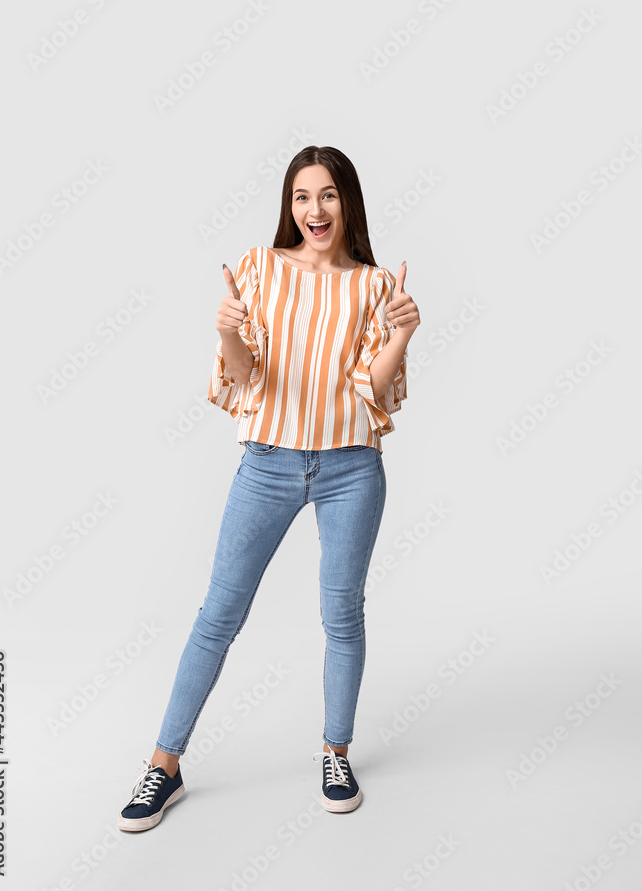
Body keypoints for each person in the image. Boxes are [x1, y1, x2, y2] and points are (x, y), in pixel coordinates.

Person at [118, 145, 421, 832]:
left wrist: (403, 334)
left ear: (348, 202)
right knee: (218, 616)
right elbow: (244, 376)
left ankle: (334, 752)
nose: (314, 210)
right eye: (301, 197)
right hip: (268, 464)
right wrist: (226, 333)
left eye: (328, 196)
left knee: (341, 614)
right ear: (289, 206)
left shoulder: (374, 285)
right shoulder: (258, 269)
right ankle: (164, 766)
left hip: (350, 467)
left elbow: (372, 391)